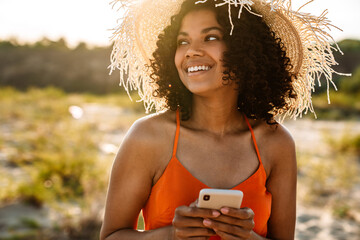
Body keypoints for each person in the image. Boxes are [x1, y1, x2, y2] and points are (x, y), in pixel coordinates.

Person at [100, 0, 345, 239]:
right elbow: (111, 236)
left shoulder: (275, 143)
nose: (191, 51)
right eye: (182, 41)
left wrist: (246, 237)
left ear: (245, 48)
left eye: (210, 37)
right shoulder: (148, 136)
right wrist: (171, 235)